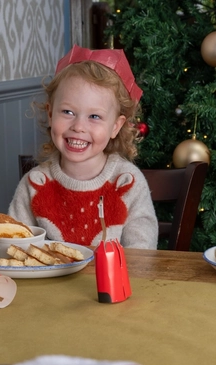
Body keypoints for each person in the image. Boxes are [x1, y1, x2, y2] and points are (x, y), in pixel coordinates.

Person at [9, 45, 158, 249]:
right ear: (50, 114)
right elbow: (14, 247)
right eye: (68, 112)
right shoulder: (34, 183)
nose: (78, 127)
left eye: (94, 116)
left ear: (115, 126)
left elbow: (142, 255)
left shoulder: (128, 182)